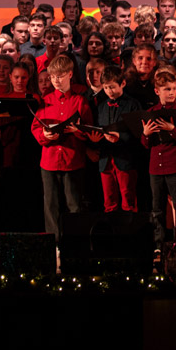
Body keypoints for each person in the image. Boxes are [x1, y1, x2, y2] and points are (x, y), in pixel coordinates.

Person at [31, 54, 91, 240]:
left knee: (74, 204)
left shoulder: (79, 101)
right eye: (53, 77)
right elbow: (35, 127)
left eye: (60, 76)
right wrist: (45, 135)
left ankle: (75, 241)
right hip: (49, 160)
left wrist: (77, 131)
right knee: (51, 204)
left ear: (70, 75)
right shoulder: (46, 100)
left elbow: (89, 130)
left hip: (73, 160)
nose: (56, 80)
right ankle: (54, 242)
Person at [142, 69, 176, 245]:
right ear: (157, 91)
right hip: (156, 168)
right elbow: (146, 145)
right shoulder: (151, 112)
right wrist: (146, 134)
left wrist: (172, 130)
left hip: (175, 166)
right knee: (157, 208)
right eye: (167, 89)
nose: (171, 93)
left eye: (174, 89)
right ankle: (159, 244)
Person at [87, 65, 142, 214]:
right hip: (105, 158)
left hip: (125, 157)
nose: (109, 91)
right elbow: (98, 128)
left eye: (112, 87)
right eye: (105, 88)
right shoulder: (101, 106)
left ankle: (130, 225)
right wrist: (95, 140)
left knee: (128, 198)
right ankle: (110, 226)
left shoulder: (132, 104)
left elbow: (138, 132)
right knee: (109, 200)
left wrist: (120, 137)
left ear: (122, 83)